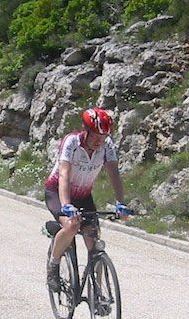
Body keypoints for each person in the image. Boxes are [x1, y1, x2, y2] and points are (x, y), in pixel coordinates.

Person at [44, 107, 129, 291]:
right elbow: (64, 174)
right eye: (96, 136)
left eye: (103, 137)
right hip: (57, 192)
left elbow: (114, 173)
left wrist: (120, 203)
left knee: (95, 244)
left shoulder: (107, 145)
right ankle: (53, 265)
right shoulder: (71, 142)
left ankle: (97, 292)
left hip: (83, 196)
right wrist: (66, 205)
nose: (99, 141)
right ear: (85, 130)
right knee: (72, 226)